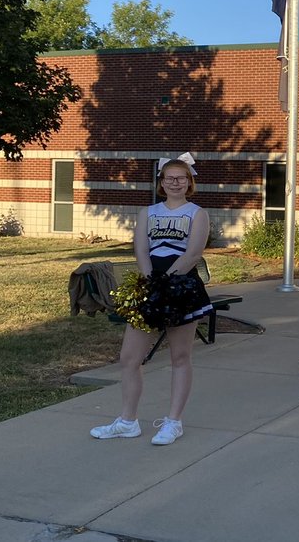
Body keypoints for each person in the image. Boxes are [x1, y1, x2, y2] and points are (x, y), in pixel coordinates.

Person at [90, 154, 212, 446]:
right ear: (161, 182)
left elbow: (193, 254)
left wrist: (166, 282)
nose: (175, 183)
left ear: (189, 182)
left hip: (182, 288)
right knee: (129, 358)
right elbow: (142, 250)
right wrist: (149, 282)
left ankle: (173, 422)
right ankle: (128, 421)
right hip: (149, 286)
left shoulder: (197, 213)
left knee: (180, 357)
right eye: (169, 178)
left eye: (181, 178)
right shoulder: (148, 212)